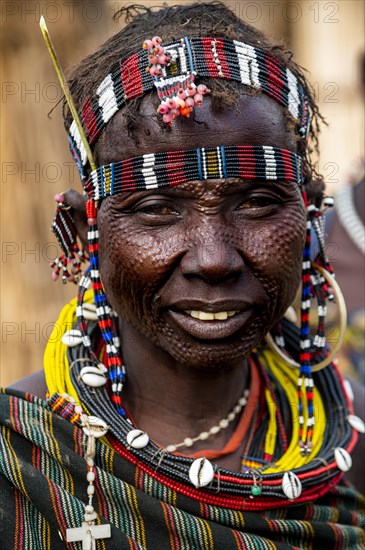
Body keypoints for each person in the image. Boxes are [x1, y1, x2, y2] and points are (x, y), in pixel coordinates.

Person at [1, 3, 364, 548]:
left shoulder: (352, 442)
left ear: (311, 214)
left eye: (257, 203)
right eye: (157, 210)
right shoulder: (19, 460)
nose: (214, 259)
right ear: (82, 233)